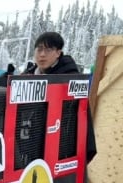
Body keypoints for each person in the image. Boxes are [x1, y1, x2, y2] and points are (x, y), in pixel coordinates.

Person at [25, 32, 97, 163]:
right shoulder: (27, 76)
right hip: (31, 145)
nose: (42, 54)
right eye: (39, 49)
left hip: (61, 150)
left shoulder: (69, 78)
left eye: (48, 50)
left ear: (58, 53)